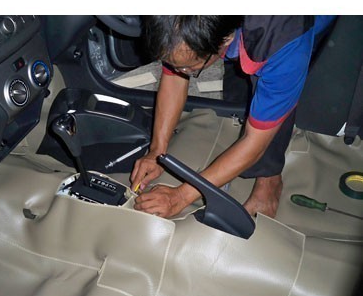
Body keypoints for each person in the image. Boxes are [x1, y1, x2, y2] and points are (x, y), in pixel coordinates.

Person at [131, 15, 336, 219]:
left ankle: (269, 180)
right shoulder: (178, 20)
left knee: (271, 108)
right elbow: (175, 74)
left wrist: (181, 197)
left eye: (190, 68)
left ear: (227, 38)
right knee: (239, 92)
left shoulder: (285, 46)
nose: (180, 72)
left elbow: (255, 141)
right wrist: (157, 150)